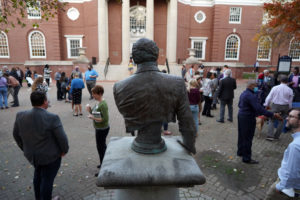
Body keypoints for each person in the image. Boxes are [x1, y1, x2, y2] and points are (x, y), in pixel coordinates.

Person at [113, 38, 196, 154]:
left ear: (135, 59)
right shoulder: (177, 83)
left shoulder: (119, 87)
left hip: (140, 142)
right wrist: (189, 144)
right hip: (157, 142)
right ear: (156, 56)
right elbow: (187, 121)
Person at [13, 91, 69, 200]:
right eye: (47, 100)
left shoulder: (20, 115)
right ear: (44, 101)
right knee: (47, 180)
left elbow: (16, 135)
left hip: (32, 156)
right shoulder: (52, 117)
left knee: (38, 176)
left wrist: (25, 148)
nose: (48, 102)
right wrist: (64, 150)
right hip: (50, 157)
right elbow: (62, 138)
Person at [237, 80, 281, 164]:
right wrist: (272, 114)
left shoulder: (244, 93)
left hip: (241, 115)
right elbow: (259, 109)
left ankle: (240, 152)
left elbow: (239, 105)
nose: (257, 87)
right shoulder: (251, 96)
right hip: (248, 118)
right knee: (248, 138)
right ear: (251, 86)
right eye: (256, 86)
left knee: (242, 135)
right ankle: (246, 158)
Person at [264, 109, 300, 200]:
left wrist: (280, 187)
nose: (287, 118)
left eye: (291, 116)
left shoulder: (295, 146)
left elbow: (292, 172)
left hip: (286, 189)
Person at [86, 85, 110, 176]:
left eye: (94, 94)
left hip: (102, 129)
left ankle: (104, 168)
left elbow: (104, 119)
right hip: (99, 128)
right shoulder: (98, 103)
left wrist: (92, 117)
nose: (93, 95)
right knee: (101, 147)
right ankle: (103, 163)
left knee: (101, 148)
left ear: (99, 94)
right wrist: (89, 111)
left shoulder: (103, 104)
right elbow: (96, 114)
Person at [264, 75, 293, 141]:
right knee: (282, 121)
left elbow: (269, 97)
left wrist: (266, 104)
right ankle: (276, 136)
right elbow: (290, 101)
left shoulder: (275, 88)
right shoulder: (290, 90)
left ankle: (270, 136)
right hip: (285, 106)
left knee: (271, 119)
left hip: (275, 105)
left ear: (280, 80)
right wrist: (289, 108)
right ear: (287, 81)